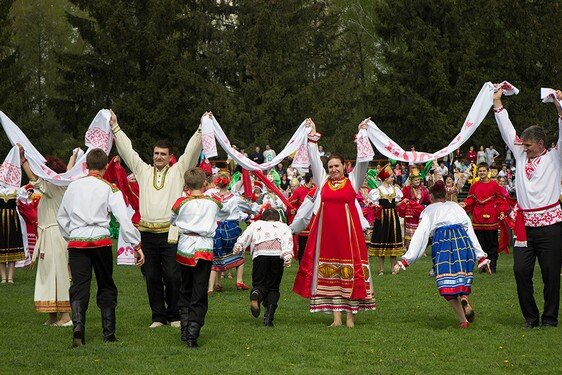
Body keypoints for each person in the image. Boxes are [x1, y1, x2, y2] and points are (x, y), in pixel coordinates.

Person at [109, 110, 202, 328]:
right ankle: (158, 316)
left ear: (170, 156)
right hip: (147, 233)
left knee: (173, 276)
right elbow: (128, 152)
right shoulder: (143, 170)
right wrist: (115, 126)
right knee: (151, 276)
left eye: (162, 154)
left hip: (170, 232)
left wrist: (200, 129)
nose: (158, 157)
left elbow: (190, 152)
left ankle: (175, 314)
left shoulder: (178, 171)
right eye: (156, 153)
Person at [57, 148, 144, 347]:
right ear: (106, 167)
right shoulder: (109, 188)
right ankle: (108, 333)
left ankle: (78, 327)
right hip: (100, 240)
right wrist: (136, 244)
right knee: (106, 284)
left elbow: (62, 217)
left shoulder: (73, 187)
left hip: (77, 240)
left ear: (86, 165)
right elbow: (123, 218)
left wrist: (70, 235)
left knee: (79, 286)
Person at [293, 119, 375, 328]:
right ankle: (336, 318)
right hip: (328, 236)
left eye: (337, 166)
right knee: (333, 276)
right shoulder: (323, 182)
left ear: (344, 167)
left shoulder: (353, 181)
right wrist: (311, 135)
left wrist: (362, 137)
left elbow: (363, 162)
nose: (333, 169)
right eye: (330, 166)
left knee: (351, 272)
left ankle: (350, 317)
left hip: (349, 236)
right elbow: (314, 161)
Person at [493, 87, 562, 328]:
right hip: (524, 227)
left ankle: (550, 318)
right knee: (521, 271)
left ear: (541, 143)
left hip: (551, 226)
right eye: (523, 145)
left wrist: (558, 106)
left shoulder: (555, 157)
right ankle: (530, 318)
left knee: (551, 275)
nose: (525, 149)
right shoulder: (521, 155)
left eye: (529, 145)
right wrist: (497, 102)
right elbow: (507, 130)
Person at [393, 181, 491, 328]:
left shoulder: (429, 210)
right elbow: (469, 230)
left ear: (431, 196)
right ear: (445, 194)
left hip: (443, 242)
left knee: (446, 284)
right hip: (462, 241)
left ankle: (463, 321)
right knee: (461, 275)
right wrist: (481, 257)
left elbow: (421, 235)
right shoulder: (456, 207)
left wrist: (406, 260)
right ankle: (464, 296)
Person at [19, 145, 78, 326]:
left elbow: (34, 180)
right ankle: (52, 315)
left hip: (55, 236)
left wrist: (23, 161)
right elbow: (68, 171)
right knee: (47, 274)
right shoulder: (61, 185)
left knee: (59, 274)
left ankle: (66, 316)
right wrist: (73, 156)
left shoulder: (53, 188)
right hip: (48, 235)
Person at [171, 167, 221, 348]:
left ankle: (185, 329)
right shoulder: (213, 202)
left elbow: (173, 219)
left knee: (185, 287)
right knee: (199, 290)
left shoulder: (180, 202)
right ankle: (192, 332)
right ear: (205, 183)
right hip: (204, 247)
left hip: (185, 246)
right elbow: (223, 213)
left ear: (186, 184)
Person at [233, 208, 293, 327]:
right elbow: (287, 240)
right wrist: (287, 256)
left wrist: (239, 246)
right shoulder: (283, 226)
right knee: (273, 287)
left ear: (263, 217)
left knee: (259, 282)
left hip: (260, 255)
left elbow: (245, 236)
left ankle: (257, 293)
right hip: (277, 256)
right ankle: (268, 316)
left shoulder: (256, 225)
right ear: (277, 218)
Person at [206, 173, 254, 294]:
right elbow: (249, 207)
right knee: (239, 251)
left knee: (216, 255)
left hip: (215, 229)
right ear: (229, 183)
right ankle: (239, 281)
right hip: (231, 228)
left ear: (217, 182)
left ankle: (213, 286)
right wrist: (258, 210)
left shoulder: (210, 195)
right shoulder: (235, 198)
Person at [460, 163, 509, 274]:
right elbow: (470, 200)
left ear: (488, 172)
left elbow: (501, 201)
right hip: (477, 218)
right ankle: (482, 265)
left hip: (491, 217)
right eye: (480, 171)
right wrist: (465, 204)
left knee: (492, 243)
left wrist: (501, 211)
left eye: (484, 171)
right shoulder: (475, 186)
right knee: (480, 243)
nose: (482, 173)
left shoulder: (494, 185)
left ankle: (492, 265)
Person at [368, 164, 405, 276]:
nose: (392, 179)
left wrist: (403, 202)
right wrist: (375, 207)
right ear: (385, 178)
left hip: (393, 218)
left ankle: (393, 268)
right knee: (382, 241)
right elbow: (374, 204)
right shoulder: (377, 191)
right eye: (391, 177)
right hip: (382, 219)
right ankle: (381, 269)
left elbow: (396, 203)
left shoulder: (395, 189)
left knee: (392, 242)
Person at [401, 168, 431, 247]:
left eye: (418, 180)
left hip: (420, 213)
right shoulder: (407, 189)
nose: (417, 181)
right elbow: (404, 199)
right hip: (411, 213)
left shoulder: (423, 190)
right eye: (415, 180)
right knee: (410, 230)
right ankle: (409, 247)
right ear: (411, 181)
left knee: (420, 229)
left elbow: (427, 200)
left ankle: (420, 247)